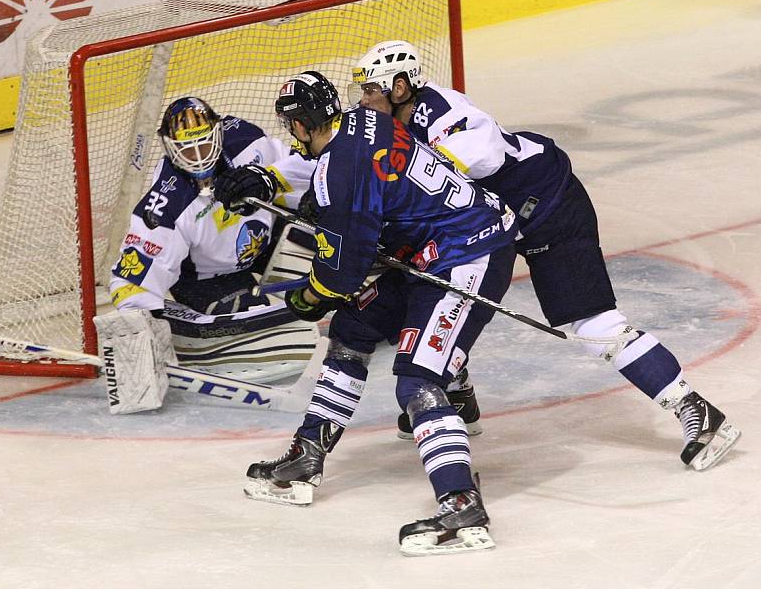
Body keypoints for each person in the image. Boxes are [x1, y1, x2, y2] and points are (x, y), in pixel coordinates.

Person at [347, 40, 741, 470]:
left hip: (548, 207)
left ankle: (699, 413)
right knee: (427, 292)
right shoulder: (389, 127)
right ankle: (457, 396)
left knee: (595, 325)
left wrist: (423, 168)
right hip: (490, 225)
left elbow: (486, 152)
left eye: (372, 91)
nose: (364, 101)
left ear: (400, 88)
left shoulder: (442, 110)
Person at [242, 70, 519, 556]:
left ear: (304, 125)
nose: (292, 135)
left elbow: (342, 274)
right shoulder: (364, 121)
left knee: (417, 380)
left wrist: (307, 297)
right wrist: (325, 208)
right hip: (434, 247)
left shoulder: (340, 171)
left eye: (293, 126)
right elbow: (368, 184)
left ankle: (461, 504)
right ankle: (308, 455)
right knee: (353, 326)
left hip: (468, 254)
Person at [107, 96, 316, 383]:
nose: (199, 156)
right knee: (257, 320)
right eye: (187, 150)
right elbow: (131, 282)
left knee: (332, 258)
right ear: (170, 148)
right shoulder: (166, 204)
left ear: (218, 133)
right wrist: (139, 336)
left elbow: (308, 172)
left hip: (266, 243)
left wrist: (276, 185)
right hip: (208, 278)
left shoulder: (246, 141)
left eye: (204, 144)